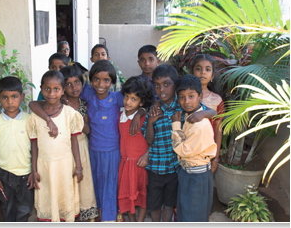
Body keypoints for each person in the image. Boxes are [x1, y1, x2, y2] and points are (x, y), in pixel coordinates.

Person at [141, 65, 216, 222]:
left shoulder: (184, 105)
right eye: (157, 85)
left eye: (167, 84)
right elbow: (149, 139)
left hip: (176, 167)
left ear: (175, 85)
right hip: (156, 166)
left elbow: (214, 112)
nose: (161, 90)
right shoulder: (154, 109)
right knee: (154, 204)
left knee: (171, 202)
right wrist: (150, 122)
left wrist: (203, 113)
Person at [29, 66, 99, 222]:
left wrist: (79, 167)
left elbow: (80, 135)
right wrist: (33, 169)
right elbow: (34, 143)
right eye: (47, 89)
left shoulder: (75, 110)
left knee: (72, 192)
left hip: (71, 157)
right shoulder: (41, 112)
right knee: (54, 193)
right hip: (51, 160)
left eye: (56, 89)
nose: (52, 93)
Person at [79, 60, 145, 222]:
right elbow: (71, 87)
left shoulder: (117, 98)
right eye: (96, 79)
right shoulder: (87, 94)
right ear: (90, 80)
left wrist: (138, 114)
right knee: (96, 182)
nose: (101, 84)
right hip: (93, 149)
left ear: (113, 82)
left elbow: (141, 102)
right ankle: (98, 214)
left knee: (111, 185)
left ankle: (111, 217)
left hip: (113, 151)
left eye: (106, 80)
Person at [0, 76, 34, 222]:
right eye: (5, 97)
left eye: (14, 97)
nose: (10, 101)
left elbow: (35, 148)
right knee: (7, 208)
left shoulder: (29, 120)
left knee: (25, 209)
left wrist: (34, 171)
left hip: (26, 175)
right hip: (4, 175)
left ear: (22, 97)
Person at [171, 74, 217, 222]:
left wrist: (176, 125)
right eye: (182, 97)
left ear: (200, 96)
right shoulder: (192, 115)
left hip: (197, 177)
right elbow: (211, 111)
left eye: (191, 96)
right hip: (188, 172)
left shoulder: (199, 125)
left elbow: (182, 149)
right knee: (186, 212)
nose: (187, 101)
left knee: (193, 216)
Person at [117, 76, 154, 222]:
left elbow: (154, 139)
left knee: (142, 194)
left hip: (140, 165)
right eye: (126, 96)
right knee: (126, 194)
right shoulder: (120, 116)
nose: (127, 101)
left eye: (134, 99)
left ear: (142, 102)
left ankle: (140, 222)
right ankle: (132, 222)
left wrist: (147, 155)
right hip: (125, 165)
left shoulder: (145, 118)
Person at [191, 54, 224, 172]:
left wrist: (216, 158)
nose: (202, 72)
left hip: (207, 153)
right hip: (187, 152)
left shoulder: (217, 100)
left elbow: (218, 130)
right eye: (198, 68)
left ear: (213, 75)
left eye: (207, 69)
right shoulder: (184, 97)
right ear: (192, 72)